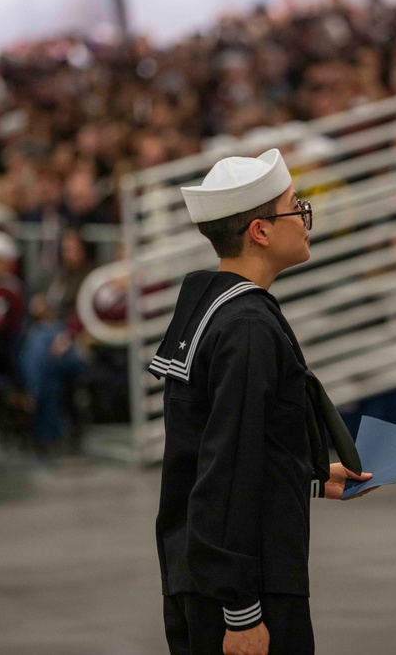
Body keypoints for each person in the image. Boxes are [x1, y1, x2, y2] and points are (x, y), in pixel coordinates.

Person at [148, 148, 370, 655]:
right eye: (296, 208)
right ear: (260, 232)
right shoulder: (247, 326)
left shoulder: (213, 304)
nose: (305, 219)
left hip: (204, 577)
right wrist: (242, 612)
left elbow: (233, 443)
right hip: (244, 590)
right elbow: (226, 468)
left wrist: (308, 474)